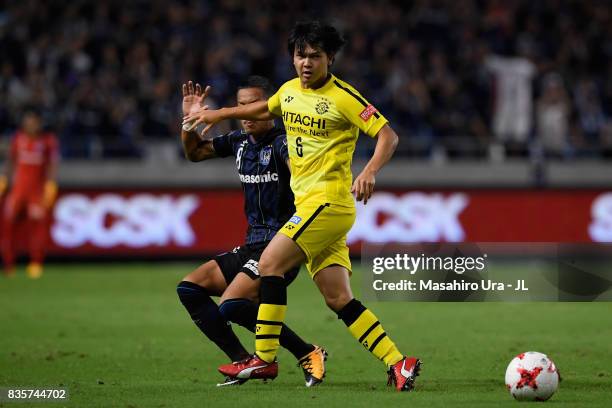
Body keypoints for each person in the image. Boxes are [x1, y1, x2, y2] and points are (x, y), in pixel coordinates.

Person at [184, 21, 421, 391]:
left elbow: (388, 136)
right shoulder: (289, 91)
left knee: (269, 263)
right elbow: (265, 107)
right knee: (338, 298)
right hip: (313, 209)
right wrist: (215, 115)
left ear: (329, 59)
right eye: (300, 55)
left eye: (315, 56)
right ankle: (398, 362)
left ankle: (263, 358)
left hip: (328, 202)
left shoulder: (344, 97)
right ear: (292, 58)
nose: (306, 63)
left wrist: (370, 170)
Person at [176, 76, 327, 387]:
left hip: (281, 247)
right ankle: (244, 360)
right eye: (240, 105)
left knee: (232, 305)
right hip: (252, 244)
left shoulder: (284, 143)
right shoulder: (238, 143)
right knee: (189, 288)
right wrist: (189, 122)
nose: (245, 113)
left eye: (252, 105)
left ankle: (304, 352)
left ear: (269, 109)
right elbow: (195, 154)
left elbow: (301, 169)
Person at [0, 110, 58, 278]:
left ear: (39, 123)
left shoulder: (47, 141)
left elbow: (52, 164)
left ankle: (36, 263)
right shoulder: (18, 139)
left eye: (34, 122)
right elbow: (11, 161)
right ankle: (9, 265)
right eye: (28, 122)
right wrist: (4, 180)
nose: (31, 125)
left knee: (37, 229)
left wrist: (51, 184)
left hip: (36, 192)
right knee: (8, 227)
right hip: (18, 191)